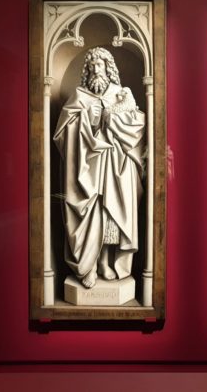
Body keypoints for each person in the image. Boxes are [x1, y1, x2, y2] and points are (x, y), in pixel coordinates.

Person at [54, 47, 146, 289]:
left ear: (108, 68)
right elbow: (62, 135)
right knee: (92, 212)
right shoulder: (79, 97)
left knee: (111, 213)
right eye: (91, 65)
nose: (96, 69)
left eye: (100, 64)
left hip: (115, 164)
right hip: (87, 168)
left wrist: (111, 118)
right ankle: (89, 265)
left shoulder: (120, 94)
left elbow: (138, 125)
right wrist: (88, 118)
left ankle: (105, 262)